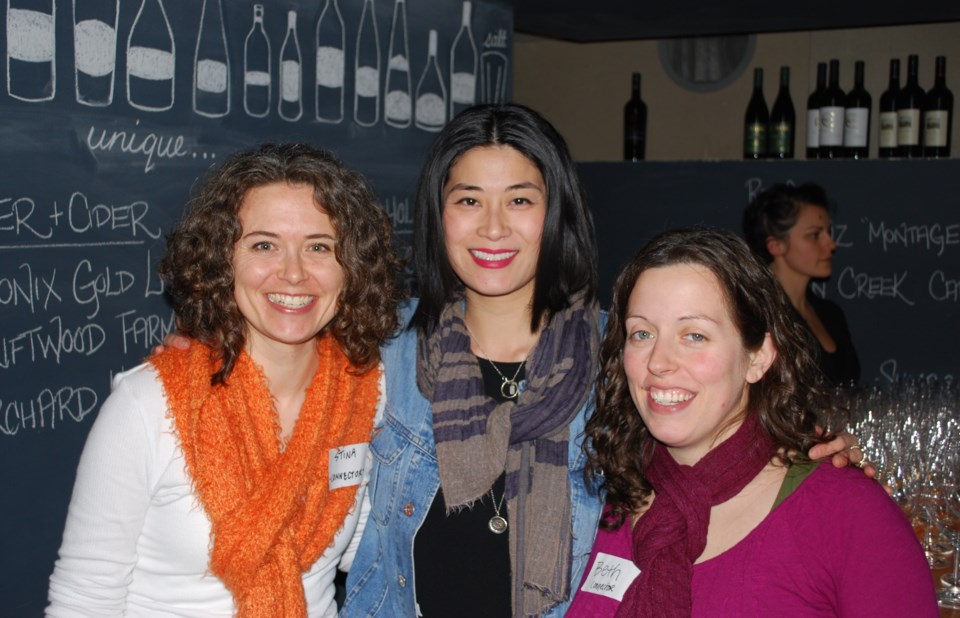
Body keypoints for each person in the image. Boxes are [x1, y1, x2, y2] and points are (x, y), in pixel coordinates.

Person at [339, 105, 866, 618]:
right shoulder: (381, 346)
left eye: (520, 200)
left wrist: (805, 461)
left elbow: (719, 447)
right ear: (438, 213)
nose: (493, 227)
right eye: (469, 200)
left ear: (556, 212)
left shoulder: (625, 352)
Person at [46, 143, 402, 617]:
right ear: (222, 260)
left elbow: (368, 556)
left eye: (319, 247)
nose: (294, 273)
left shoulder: (368, 392)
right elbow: (84, 600)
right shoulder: (148, 404)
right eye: (263, 245)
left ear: (352, 266)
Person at [567, 227, 937, 617]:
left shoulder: (845, 512)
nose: (658, 361)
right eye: (641, 333)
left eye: (694, 335)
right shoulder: (602, 500)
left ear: (758, 357)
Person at [742, 182, 860, 385]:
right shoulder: (757, 314)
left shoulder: (830, 314)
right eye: (814, 235)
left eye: (828, 233)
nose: (831, 244)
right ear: (776, 246)